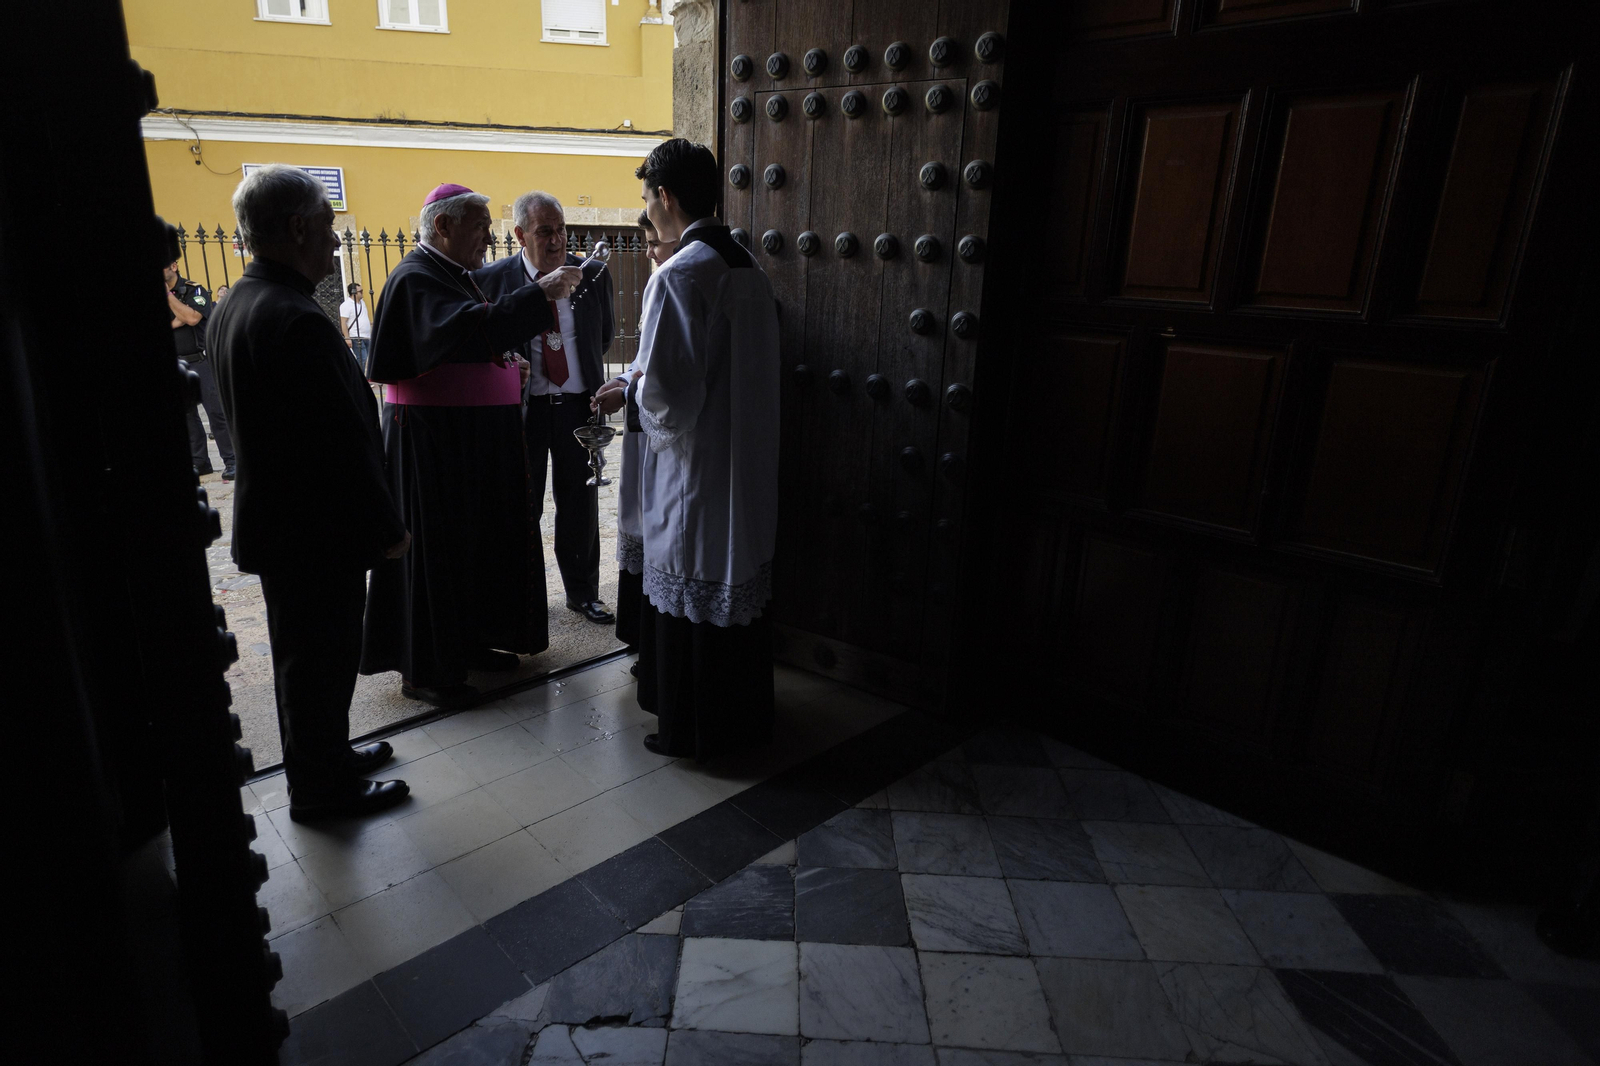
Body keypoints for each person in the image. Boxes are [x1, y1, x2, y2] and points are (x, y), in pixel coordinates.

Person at [209, 164, 412, 822]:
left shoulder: (238, 303)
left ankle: (326, 757)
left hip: (283, 525)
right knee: (319, 664)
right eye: (327, 228)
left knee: (310, 663)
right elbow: (342, 442)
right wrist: (386, 523)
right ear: (296, 227)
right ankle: (323, 791)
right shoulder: (297, 317)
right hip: (314, 531)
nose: (333, 242)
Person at [593, 139, 781, 759]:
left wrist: (634, 387)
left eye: (647, 198)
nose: (647, 211)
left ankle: (694, 731)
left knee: (696, 573)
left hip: (697, 467)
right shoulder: (746, 263)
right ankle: (738, 721)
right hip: (746, 454)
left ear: (665, 197)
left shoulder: (680, 272)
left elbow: (670, 394)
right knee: (734, 576)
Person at [360, 183, 581, 708]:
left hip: (465, 438)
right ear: (443, 226)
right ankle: (426, 670)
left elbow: (470, 342)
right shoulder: (416, 276)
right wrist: (540, 293)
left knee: (473, 546)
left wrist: (505, 364)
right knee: (438, 553)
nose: (489, 235)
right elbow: (459, 330)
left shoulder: (452, 275)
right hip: (431, 441)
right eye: (480, 223)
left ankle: (471, 642)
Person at [477, 191, 616, 627]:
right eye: (545, 232)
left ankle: (583, 593)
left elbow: (603, 335)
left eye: (561, 230)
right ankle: (523, 599)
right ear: (519, 234)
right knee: (523, 506)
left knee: (580, 503)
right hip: (525, 411)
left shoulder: (591, 274)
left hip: (578, 407)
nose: (557, 241)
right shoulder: (494, 279)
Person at [603, 211, 677, 656]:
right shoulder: (666, 279)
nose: (648, 251)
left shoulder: (673, 281)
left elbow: (668, 376)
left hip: (661, 431)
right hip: (644, 426)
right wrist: (626, 380)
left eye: (653, 241)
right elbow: (647, 360)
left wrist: (629, 389)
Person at [166, 259, 237, 481]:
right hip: (177, 362)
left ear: (174, 266)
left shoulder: (194, 289)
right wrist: (178, 319)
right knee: (187, 415)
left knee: (216, 412)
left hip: (201, 361)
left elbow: (192, 317)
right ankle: (200, 462)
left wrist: (169, 297)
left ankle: (232, 460)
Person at [339, 281, 372, 374]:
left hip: (366, 336)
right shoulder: (346, 305)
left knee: (366, 359)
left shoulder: (362, 303)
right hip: (356, 337)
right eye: (360, 291)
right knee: (362, 359)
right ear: (353, 293)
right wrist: (347, 338)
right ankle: (360, 380)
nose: (362, 293)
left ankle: (364, 378)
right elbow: (343, 322)